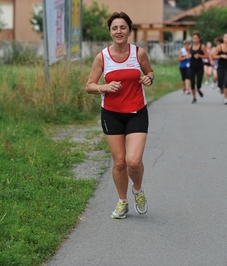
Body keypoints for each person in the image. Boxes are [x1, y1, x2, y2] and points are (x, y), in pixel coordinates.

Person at [85, 12, 154, 219]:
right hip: (112, 114)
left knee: (133, 161)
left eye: (123, 27)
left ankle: (138, 190)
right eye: (114, 28)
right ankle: (122, 201)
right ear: (110, 32)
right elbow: (89, 86)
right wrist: (104, 87)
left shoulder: (138, 53)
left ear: (129, 31)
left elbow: (150, 72)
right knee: (120, 162)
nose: (119, 31)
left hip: (136, 112)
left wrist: (149, 79)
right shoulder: (102, 57)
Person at [212, 33, 227, 105]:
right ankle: (220, 87)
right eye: (226, 37)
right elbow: (213, 56)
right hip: (221, 66)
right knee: (220, 83)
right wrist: (221, 56)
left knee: (226, 81)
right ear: (223, 39)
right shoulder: (219, 47)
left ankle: (225, 98)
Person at [188, 32, 208, 104]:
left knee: (199, 81)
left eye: (196, 38)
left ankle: (198, 89)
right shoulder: (190, 46)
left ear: (199, 39)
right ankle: (194, 97)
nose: (195, 40)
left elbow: (207, 56)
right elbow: (189, 54)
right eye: (194, 38)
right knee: (192, 82)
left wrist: (200, 56)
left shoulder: (202, 46)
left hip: (199, 66)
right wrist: (189, 56)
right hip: (192, 66)